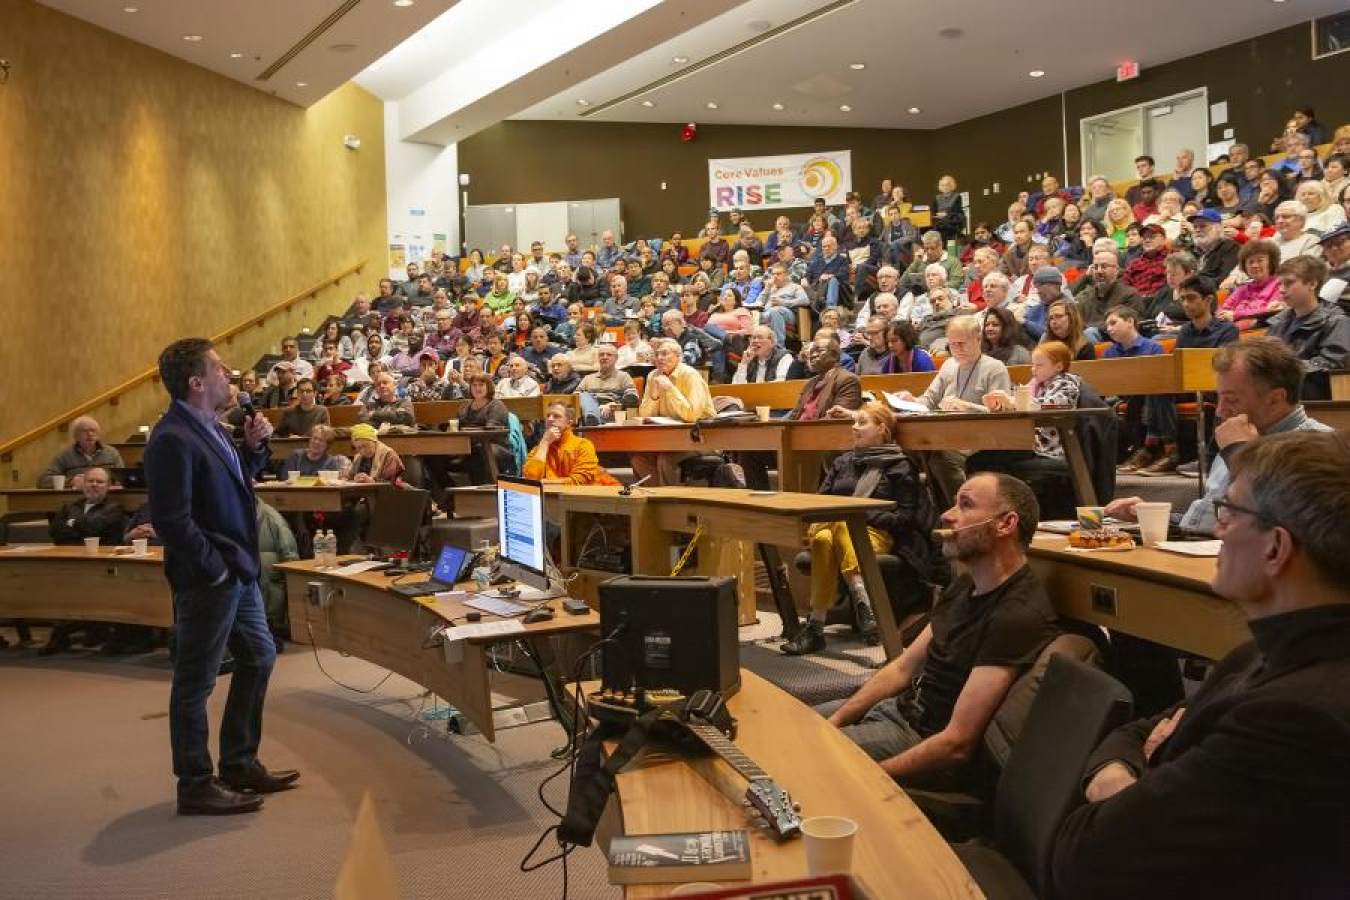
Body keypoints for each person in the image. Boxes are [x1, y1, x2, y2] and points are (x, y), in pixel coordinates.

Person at [1052, 430, 1350, 899]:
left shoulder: (1294, 720)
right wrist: (1132, 765)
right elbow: (1138, 730)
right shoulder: (1254, 656)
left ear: (1275, 548)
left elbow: (1085, 856)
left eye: (1230, 513)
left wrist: (1127, 777)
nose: (1217, 529)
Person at [816, 473, 1059, 785]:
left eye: (965, 505)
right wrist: (833, 723)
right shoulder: (966, 583)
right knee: (788, 725)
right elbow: (903, 668)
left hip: (917, 734)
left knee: (803, 757)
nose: (947, 515)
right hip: (898, 709)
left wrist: (870, 780)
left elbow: (955, 744)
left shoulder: (1016, 615)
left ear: (1005, 524)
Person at [144, 338, 293, 816]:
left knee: (260, 657)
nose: (229, 374)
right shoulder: (171, 438)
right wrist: (216, 569)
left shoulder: (210, 426)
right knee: (196, 681)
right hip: (211, 579)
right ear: (196, 382)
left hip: (237, 572)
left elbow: (230, 488)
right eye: (219, 369)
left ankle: (238, 761)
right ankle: (195, 782)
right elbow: (172, 519)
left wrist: (252, 448)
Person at [1107, 337, 1331, 535]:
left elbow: (1279, 530)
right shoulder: (1237, 436)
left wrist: (1242, 454)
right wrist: (1151, 516)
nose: (1221, 411)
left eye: (1231, 400)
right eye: (1219, 399)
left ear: (1275, 398)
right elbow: (1212, 524)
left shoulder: (1321, 448)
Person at [783, 403, 937, 655]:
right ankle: (862, 600)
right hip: (831, 526)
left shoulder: (900, 466)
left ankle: (816, 627)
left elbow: (904, 518)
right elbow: (821, 501)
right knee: (830, 530)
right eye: (854, 422)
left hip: (875, 536)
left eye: (862, 422)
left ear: (882, 429)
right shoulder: (843, 461)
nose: (854, 427)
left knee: (831, 533)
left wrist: (862, 516)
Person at [632, 338, 716, 486]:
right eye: (657, 354)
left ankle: (672, 501)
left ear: (678, 356)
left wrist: (670, 390)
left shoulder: (690, 375)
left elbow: (692, 415)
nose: (660, 358)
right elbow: (644, 415)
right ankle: (658, 498)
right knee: (639, 459)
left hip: (701, 438)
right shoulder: (653, 376)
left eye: (665, 354)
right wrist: (654, 395)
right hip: (668, 439)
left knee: (666, 459)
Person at [1267, 255, 1350, 401]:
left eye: (1289, 283)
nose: (1281, 290)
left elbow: (1333, 364)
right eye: (1280, 284)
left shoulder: (1337, 321)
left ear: (1312, 284)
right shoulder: (1278, 322)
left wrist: (1283, 369)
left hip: (1314, 396)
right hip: (1282, 391)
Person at [522, 402, 619, 486]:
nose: (550, 419)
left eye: (556, 416)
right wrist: (544, 443)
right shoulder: (538, 449)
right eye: (548, 416)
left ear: (569, 422)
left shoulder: (583, 445)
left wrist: (543, 483)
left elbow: (579, 481)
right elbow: (531, 478)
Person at [37, 415, 124, 488]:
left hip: (105, 497)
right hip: (75, 499)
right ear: (76, 436)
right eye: (85, 431)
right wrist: (71, 482)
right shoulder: (65, 455)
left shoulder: (112, 453)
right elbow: (43, 481)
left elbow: (123, 478)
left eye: (93, 431)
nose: (90, 434)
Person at [457, 373, 513, 484]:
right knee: (436, 457)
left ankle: (481, 493)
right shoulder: (464, 407)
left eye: (481, 385)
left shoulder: (496, 405)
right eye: (474, 385)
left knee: (478, 451)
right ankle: (447, 496)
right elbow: (457, 429)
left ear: (488, 387)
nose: (477, 388)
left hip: (495, 447)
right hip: (467, 447)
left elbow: (491, 432)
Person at [1077, 249, 1145, 339]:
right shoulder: (1084, 296)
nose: (1099, 271)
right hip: (1087, 340)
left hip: (1117, 342)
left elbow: (1130, 324)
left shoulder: (1130, 295)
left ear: (1117, 270)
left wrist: (1089, 327)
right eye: (1095, 267)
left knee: (1090, 333)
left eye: (1104, 267)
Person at [577, 343, 639, 423]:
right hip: (588, 411)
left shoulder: (623, 376)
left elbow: (633, 398)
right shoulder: (587, 378)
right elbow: (574, 398)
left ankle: (593, 418)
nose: (604, 357)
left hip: (611, 413)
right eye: (601, 355)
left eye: (609, 355)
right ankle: (593, 415)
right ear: (598, 358)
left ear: (616, 358)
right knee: (583, 395)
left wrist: (613, 405)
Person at [281, 425, 350, 478]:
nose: (316, 442)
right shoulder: (296, 456)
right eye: (314, 438)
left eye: (321, 440)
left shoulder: (331, 462)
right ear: (310, 439)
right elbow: (285, 477)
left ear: (327, 445)